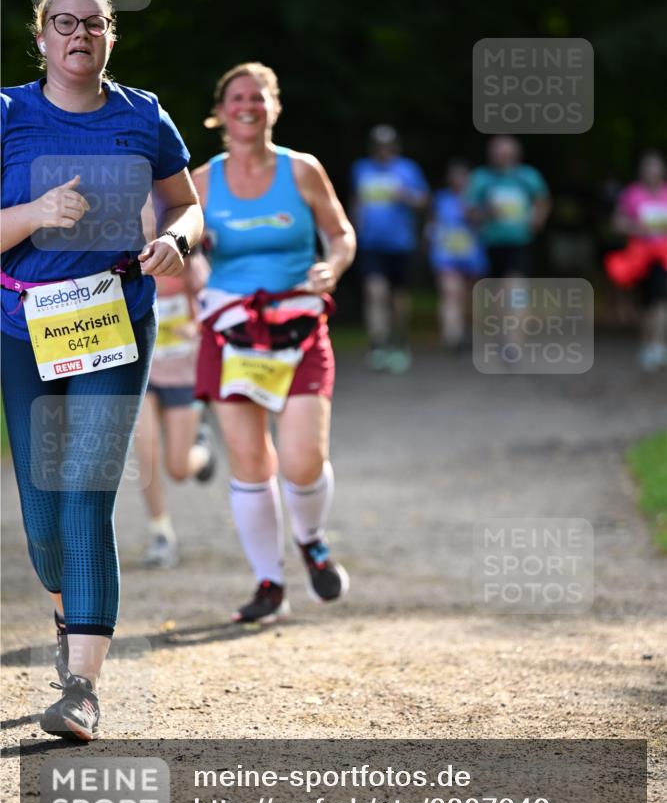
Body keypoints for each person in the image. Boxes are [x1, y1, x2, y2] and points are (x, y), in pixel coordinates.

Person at [0, 0, 203, 740]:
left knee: (86, 495)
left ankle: (81, 687)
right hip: (24, 327)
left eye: (94, 23)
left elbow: (186, 202)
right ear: (42, 37)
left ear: (110, 36)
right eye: (64, 23)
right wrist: (34, 213)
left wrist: (177, 240)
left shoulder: (143, 115)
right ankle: (66, 606)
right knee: (45, 520)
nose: (79, 34)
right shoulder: (8, 113)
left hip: (116, 321)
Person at [192, 62, 356, 624]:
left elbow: (340, 234)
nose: (248, 106)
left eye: (258, 98)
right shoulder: (202, 181)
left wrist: (332, 267)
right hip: (231, 331)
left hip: (299, 326)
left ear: (274, 107)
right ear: (222, 110)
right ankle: (269, 583)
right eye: (237, 97)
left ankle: (311, 539)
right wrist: (193, 269)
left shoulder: (303, 170)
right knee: (247, 459)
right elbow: (180, 246)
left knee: (303, 457)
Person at [133, 209, 216, 568]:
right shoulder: (124, 262)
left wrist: (196, 330)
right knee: (145, 454)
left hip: (183, 371)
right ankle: (161, 534)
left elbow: (215, 312)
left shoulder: (189, 263)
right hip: (143, 369)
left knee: (178, 468)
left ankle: (203, 452)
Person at [351, 125, 429, 373]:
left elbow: (423, 200)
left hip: (400, 244)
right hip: (371, 243)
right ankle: (378, 345)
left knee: (398, 298)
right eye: (378, 146)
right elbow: (357, 202)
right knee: (375, 293)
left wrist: (406, 196)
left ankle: (400, 342)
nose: (383, 150)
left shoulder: (408, 169)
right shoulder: (361, 169)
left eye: (387, 145)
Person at [606, 151, 667, 371]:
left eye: (655, 166)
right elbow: (617, 222)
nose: (651, 171)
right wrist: (636, 228)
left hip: (664, 256)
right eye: (647, 167)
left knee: (661, 298)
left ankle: (658, 344)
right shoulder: (632, 194)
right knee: (646, 303)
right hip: (639, 257)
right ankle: (647, 343)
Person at [465, 135, 550, 278]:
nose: (501, 157)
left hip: (520, 240)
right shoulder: (481, 177)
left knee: (515, 281)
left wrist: (538, 220)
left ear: (516, 155)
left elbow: (542, 201)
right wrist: (485, 213)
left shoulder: (528, 175)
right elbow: (469, 208)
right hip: (488, 242)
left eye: (505, 154)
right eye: (497, 153)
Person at [427, 159, 487, 350]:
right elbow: (432, 226)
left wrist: (473, 213)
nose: (458, 180)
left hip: (472, 257)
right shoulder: (441, 199)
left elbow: (484, 224)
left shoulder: (476, 199)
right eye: (454, 176)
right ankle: (453, 339)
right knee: (451, 294)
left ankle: (469, 334)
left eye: (462, 176)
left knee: (469, 299)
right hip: (446, 256)